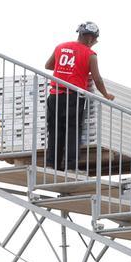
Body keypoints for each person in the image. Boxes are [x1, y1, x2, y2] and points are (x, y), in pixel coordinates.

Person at [43, 22, 115, 172]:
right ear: (89, 38)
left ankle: (51, 165)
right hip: (73, 98)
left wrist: (68, 70)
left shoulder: (60, 47)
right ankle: (70, 166)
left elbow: (48, 66)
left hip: (55, 95)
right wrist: (106, 95)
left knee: (55, 130)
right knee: (72, 131)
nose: (95, 43)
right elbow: (97, 79)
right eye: (95, 39)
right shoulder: (90, 55)